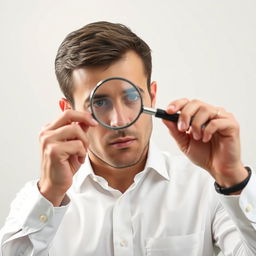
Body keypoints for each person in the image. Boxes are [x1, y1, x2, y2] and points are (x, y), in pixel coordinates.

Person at [0, 21, 255, 256]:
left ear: (152, 97)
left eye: (132, 97)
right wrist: (50, 193)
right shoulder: (37, 200)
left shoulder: (204, 188)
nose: (119, 122)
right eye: (99, 102)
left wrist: (232, 177)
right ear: (69, 112)